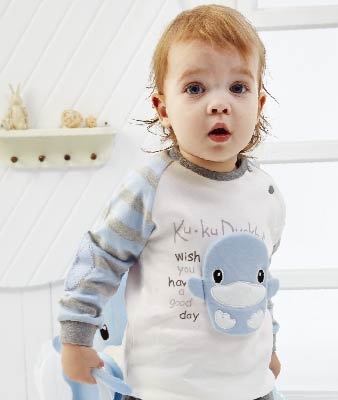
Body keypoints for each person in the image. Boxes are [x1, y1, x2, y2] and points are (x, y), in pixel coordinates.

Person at [59, 4, 286, 400]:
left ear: (259, 105)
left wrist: (270, 347)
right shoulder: (153, 186)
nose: (219, 103)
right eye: (195, 88)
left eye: (238, 87)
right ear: (163, 109)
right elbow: (99, 257)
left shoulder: (264, 193)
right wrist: (76, 337)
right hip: (165, 389)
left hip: (251, 387)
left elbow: (258, 283)